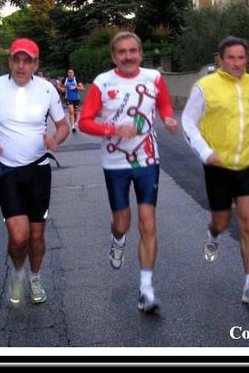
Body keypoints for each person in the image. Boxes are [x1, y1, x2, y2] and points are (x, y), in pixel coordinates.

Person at [78, 31, 178, 313]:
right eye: (121, 52)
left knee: (148, 223)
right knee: (122, 222)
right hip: (115, 163)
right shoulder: (102, 82)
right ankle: (118, 238)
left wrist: (168, 118)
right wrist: (113, 129)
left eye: (133, 51)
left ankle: (146, 289)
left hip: (148, 160)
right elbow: (84, 122)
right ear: (114, 56)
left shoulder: (153, 78)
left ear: (140, 53)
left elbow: (164, 103)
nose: (128, 56)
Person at [0, 38, 69, 307]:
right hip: (8, 172)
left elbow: (63, 125)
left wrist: (55, 139)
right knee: (19, 236)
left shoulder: (46, 89)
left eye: (27, 61)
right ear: (10, 61)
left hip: (38, 171)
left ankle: (34, 278)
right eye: (16, 59)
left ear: (36, 64)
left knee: (36, 235)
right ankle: (18, 272)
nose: (21, 66)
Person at [181, 36, 249, 309]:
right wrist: (205, 152)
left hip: (247, 162)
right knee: (222, 221)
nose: (237, 63)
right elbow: (188, 121)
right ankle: (213, 235)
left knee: (248, 220)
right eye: (231, 58)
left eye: (241, 57)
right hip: (218, 165)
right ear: (220, 60)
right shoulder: (205, 87)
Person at [57, 68, 85, 133]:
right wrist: (59, 87)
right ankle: (73, 126)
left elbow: (82, 88)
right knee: (71, 112)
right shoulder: (65, 80)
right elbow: (62, 89)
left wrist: (76, 87)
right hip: (68, 98)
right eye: (69, 72)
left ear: (73, 73)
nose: (70, 74)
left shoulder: (76, 79)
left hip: (76, 98)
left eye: (71, 72)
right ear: (67, 73)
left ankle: (75, 123)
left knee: (75, 113)